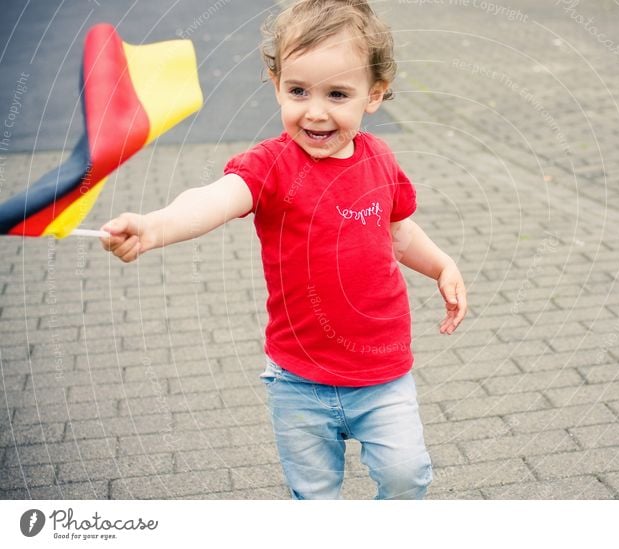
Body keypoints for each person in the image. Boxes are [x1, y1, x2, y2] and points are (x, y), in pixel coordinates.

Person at [101, 0, 467, 499]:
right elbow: (215, 198)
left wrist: (441, 264)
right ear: (276, 85)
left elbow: (398, 230)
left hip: (383, 375)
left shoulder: (380, 159)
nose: (314, 111)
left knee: (407, 475)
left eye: (337, 94)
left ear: (374, 95)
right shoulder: (271, 166)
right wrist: (154, 227)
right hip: (299, 381)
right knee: (314, 496)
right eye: (298, 91)